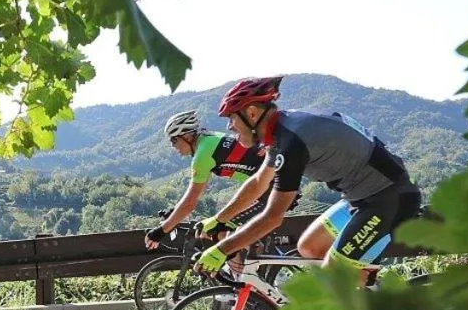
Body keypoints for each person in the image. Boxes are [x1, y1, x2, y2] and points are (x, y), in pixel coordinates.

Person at [194, 76, 422, 290]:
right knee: (309, 247)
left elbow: (272, 217)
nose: (229, 127)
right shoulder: (281, 131)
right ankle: (365, 296)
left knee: (332, 283)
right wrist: (219, 219)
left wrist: (222, 249)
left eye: (232, 118)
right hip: (361, 198)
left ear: (252, 113)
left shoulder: (292, 141)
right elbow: (259, 182)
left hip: (389, 200)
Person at [144, 109, 297, 262]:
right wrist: (175, 212)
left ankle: (244, 282)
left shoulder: (202, 155)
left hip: (272, 190)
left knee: (217, 231)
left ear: (187, 136)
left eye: (174, 140)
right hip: (274, 185)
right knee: (225, 231)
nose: (172, 146)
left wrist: (161, 231)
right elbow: (196, 195)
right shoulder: (209, 140)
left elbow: (190, 202)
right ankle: (255, 274)